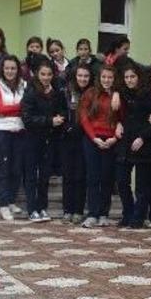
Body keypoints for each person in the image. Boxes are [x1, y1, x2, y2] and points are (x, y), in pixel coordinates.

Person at [114, 63, 151, 228]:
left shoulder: (148, 94)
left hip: (142, 143)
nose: (129, 80)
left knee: (141, 185)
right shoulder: (122, 93)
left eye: (132, 77)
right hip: (125, 142)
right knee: (121, 181)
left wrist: (142, 137)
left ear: (139, 77)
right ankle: (128, 213)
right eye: (126, 77)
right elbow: (118, 113)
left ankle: (138, 217)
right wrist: (119, 122)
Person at [22, 61, 69, 222]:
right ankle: (31, 209)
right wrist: (49, 121)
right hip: (32, 139)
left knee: (44, 176)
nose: (46, 77)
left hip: (50, 139)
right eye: (43, 74)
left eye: (49, 74)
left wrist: (60, 118)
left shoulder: (56, 91)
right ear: (37, 74)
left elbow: (63, 110)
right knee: (31, 176)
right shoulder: (30, 91)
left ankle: (42, 207)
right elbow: (27, 118)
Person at [79, 65, 120, 228]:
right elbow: (83, 117)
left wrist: (114, 138)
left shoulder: (118, 96)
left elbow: (122, 119)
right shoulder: (90, 93)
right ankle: (92, 214)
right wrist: (94, 138)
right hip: (92, 140)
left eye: (110, 77)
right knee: (93, 177)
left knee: (107, 178)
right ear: (99, 77)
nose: (106, 80)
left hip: (111, 140)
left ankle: (104, 213)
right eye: (104, 77)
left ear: (114, 79)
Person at [0, 55, 28, 221]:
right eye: (7, 68)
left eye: (13, 68)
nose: (10, 71)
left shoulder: (25, 85)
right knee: (4, 169)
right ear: (2, 69)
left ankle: (12, 200)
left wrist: (13, 109)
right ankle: (3, 204)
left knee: (16, 168)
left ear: (18, 69)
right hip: (3, 131)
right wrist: (18, 108)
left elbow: (27, 107)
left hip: (20, 130)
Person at [60, 64, 90, 223]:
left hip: (86, 139)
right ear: (75, 76)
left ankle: (78, 210)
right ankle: (67, 210)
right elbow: (60, 112)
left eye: (86, 76)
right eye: (80, 75)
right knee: (68, 176)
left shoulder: (92, 93)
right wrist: (67, 127)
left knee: (81, 176)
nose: (83, 79)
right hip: (68, 139)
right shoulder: (65, 92)